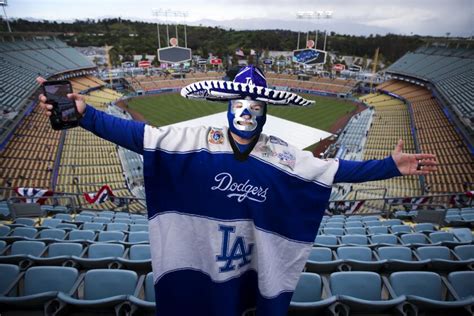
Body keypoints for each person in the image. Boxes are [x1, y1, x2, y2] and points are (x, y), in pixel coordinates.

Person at [37, 66, 437, 316]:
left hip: (245, 267)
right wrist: (86, 116)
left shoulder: (280, 155)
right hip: (196, 261)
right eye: (239, 104)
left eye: (256, 107)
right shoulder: (191, 139)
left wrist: (390, 165)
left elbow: (333, 169)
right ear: (227, 105)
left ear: (266, 112)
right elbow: (136, 135)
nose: (246, 113)